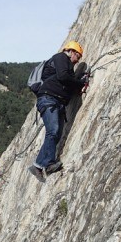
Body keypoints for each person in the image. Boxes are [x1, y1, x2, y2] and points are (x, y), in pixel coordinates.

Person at [32, 41, 88, 176]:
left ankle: (38, 165)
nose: (77, 61)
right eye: (78, 57)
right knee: (53, 131)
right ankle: (48, 164)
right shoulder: (61, 57)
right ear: (72, 52)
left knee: (55, 134)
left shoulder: (66, 66)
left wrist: (78, 84)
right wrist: (80, 82)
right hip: (49, 99)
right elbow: (63, 77)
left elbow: (66, 81)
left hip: (56, 101)